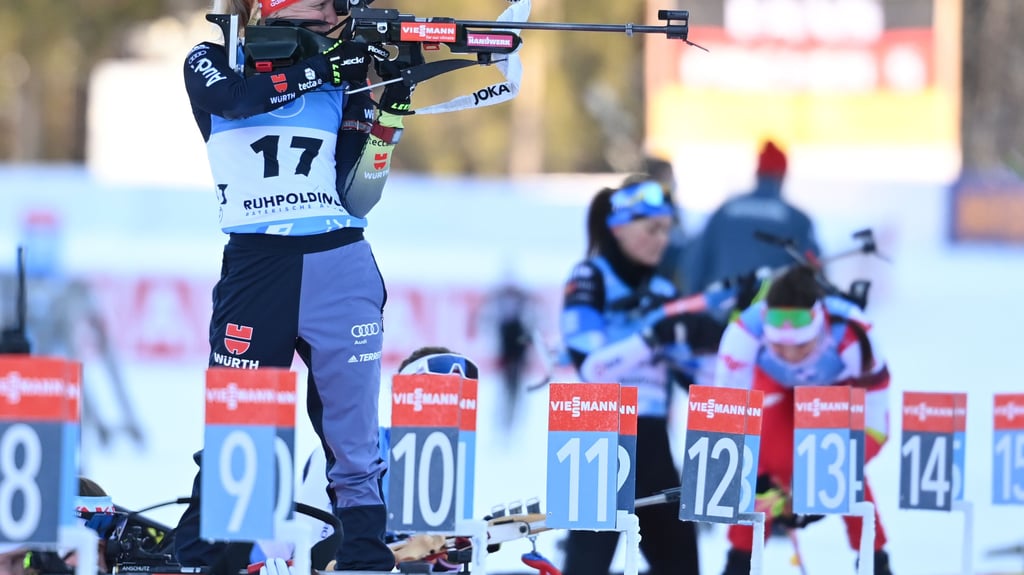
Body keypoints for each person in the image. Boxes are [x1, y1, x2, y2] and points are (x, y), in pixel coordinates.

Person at [173, 0, 415, 571]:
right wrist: (324, 71)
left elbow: (360, 190)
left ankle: (363, 554)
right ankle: (211, 556)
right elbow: (235, 100)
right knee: (242, 428)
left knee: (353, 436)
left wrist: (393, 104)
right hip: (258, 265)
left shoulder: (344, 69)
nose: (333, 8)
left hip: (339, 260)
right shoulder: (213, 57)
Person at [558, 179, 725, 575]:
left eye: (667, 230)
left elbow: (700, 380)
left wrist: (713, 339)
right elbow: (592, 367)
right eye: (653, 229)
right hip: (594, 433)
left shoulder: (665, 290)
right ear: (619, 226)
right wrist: (654, 336)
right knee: (586, 567)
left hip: (650, 436)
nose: (661, 240)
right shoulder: (588, 276)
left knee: (682, 566)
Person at [713, 265, 893, 575]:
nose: (790, 356)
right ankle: (738, 562)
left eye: (801, 346)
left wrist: (827, 481)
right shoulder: (745, 331)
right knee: (763, 471)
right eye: (778, 346)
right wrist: (753, 477)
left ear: (820, 330)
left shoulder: (853, 333)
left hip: (836, 388)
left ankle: (875, 562)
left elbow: (877, 425)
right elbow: (723, 418)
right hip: (775, 386)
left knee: (843, 471)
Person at [684, 140, 820, 295]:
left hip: (719, 306)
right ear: (782, 174)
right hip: (768, 313)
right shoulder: (797, 219)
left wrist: (695, 300)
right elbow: (811, 269)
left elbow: (696, 260)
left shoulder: (725, 210)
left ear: (757, 173)